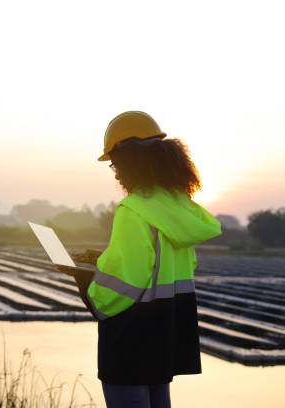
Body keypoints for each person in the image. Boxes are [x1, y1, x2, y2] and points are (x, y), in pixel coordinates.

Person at [62, 111, 222, 408]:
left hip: (130, 340)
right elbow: (161, 264)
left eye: (115, 164)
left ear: (130, 161)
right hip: (163, 334)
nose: (116, 173)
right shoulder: (178, 209)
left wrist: (83, 277)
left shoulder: (133, 209)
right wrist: (101, 259)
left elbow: (119, 288)